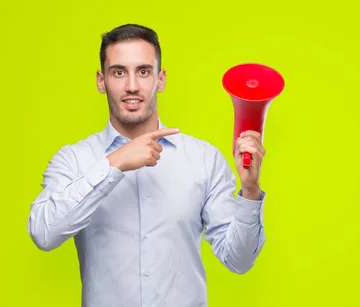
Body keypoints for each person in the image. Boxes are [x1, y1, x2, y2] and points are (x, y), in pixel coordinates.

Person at [27, 23, 267, 307]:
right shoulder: (74, 159)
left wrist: (250, 191)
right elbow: (44, 234)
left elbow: (238, 260)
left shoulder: (204, 159)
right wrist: (114, 164)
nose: (131, 86)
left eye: (143, 71)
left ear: (160, 79)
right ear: (101, 81)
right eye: (119, 72)